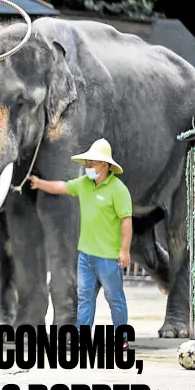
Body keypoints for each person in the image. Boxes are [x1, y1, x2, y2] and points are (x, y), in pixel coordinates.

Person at [28, 138, 133, 349]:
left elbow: (126, 220)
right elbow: (63, 187)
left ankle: (121, 338)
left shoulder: (118, 190)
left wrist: (124, 251)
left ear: (105, 164)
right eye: (87, 162)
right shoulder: (84, 185)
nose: (88, 167)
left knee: (114, 298)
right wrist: (40, 184)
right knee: (84, 297)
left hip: (109, 257)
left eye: (92, 162)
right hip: (86, 255)